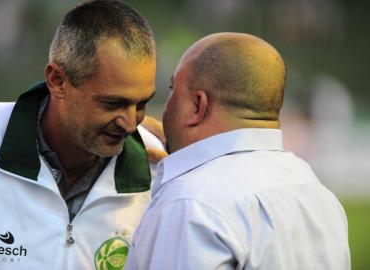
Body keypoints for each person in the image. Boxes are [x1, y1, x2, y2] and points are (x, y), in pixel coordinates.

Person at [0, 1, 164, 269]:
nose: (130, 124)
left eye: (141, 104)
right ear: (57, 81)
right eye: (112, 104)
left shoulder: (161, 170)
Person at [125, 32, 350, 270]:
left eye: (173, 90)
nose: (166, 106)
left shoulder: (191, 202)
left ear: (197, 105)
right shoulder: (317, 192)